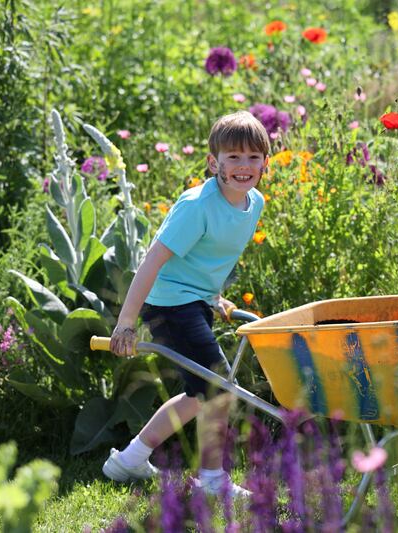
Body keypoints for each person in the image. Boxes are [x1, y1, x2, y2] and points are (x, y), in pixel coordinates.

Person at [102, 110, 270, 496]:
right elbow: (152, 262)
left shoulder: (254, 202)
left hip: (195, 301)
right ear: (214, 163)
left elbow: (210, 257)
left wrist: (215, 297)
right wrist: (126, 322)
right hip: (168, 303)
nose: (243, 166)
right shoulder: (196, 206)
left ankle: (128, 460)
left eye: (253, 157)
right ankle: (212, 481)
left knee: (200, 392)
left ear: (265, 161)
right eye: (233, 157)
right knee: (218, 387)